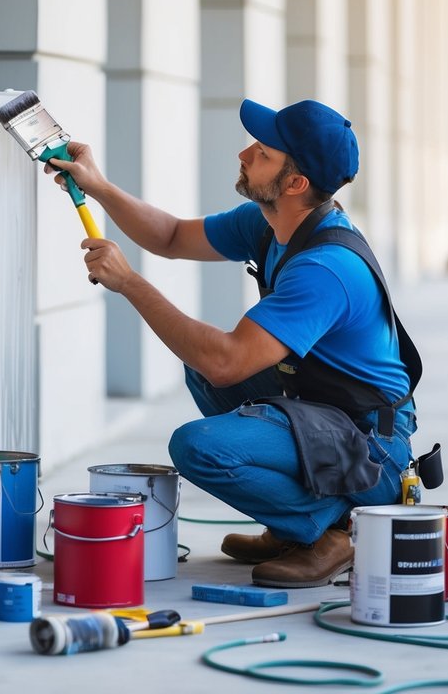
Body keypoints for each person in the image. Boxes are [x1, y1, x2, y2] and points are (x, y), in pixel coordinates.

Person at [44, 98, 419, 588]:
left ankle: (329, 529)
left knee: (198, 445)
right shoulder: (270, 225)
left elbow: (228, 361)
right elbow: (173, 236)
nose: (244, 154)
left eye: (262, 153)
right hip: (326, 413)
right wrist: (100, 187)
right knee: (197, 366)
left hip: (372, 447)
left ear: (295, 183)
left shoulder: (325, 267)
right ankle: (297, 527)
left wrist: (129, 283)